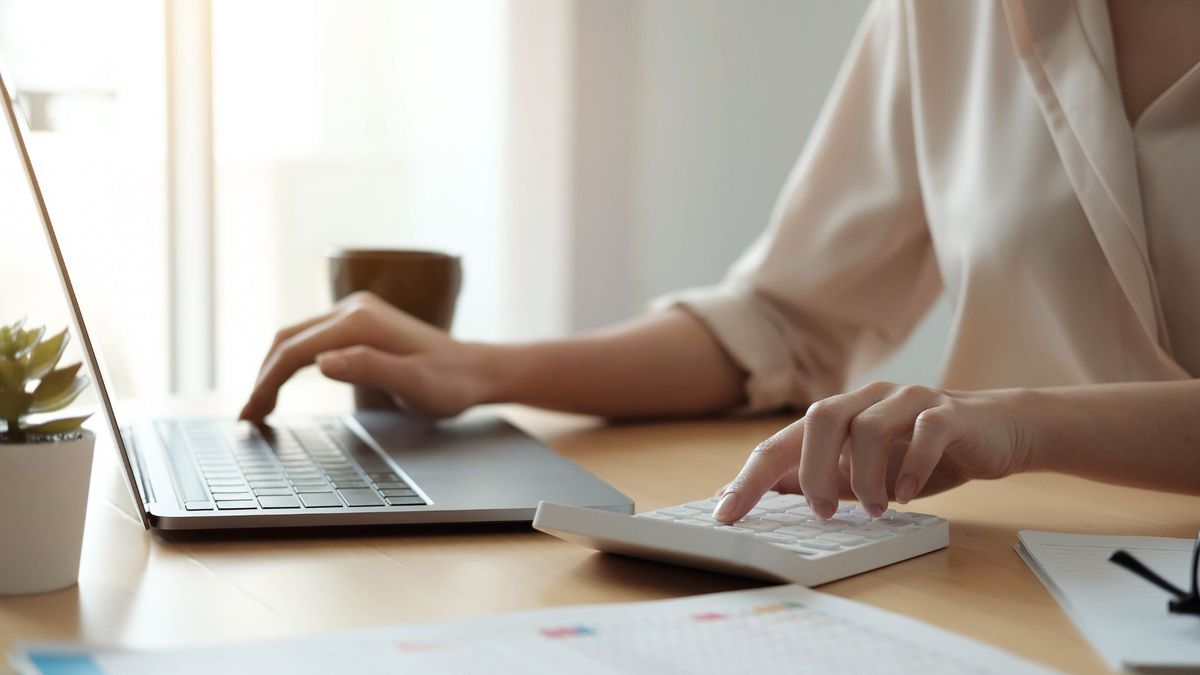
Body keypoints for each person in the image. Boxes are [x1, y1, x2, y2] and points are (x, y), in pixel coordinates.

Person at [240, 0, 1200, 524]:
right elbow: (784, 321)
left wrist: (1020, 424)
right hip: (1007, 578)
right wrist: (490, 368)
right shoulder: (948, 12)